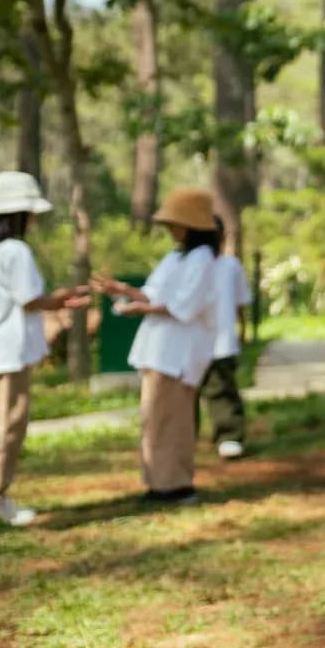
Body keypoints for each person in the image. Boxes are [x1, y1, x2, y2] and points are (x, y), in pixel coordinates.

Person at [0, 172, 91, 529]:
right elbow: (31, 300)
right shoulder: (15, 251)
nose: (32, 219)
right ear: (14, 215)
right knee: (5, 425)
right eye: (28, 212)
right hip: (4, 353)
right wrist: (62, 299)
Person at [92, 188, 224, 505]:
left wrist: (143, 309)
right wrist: (123, 291)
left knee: (172, 420)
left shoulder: (203, 260)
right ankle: (157, 482)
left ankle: (176, 484)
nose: (171, 230)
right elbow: (153, 293)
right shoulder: (175, 257)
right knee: (153, 418)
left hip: (177, 354)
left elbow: (185, 305)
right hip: (157, 351)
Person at [201, 218, 253, 461]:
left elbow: (240, 302)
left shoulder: (230, 266)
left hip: (221, 342)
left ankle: (229, 436)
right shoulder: (189, 265)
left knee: (222, 391)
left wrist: (243, 329)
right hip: (192, 344)